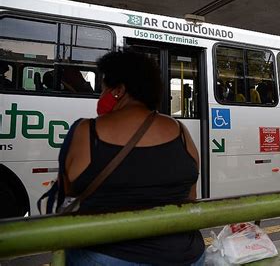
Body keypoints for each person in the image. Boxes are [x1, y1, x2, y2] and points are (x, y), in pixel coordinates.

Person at [64, 50, 205, 265]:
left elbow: (67, 190)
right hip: (187, 255)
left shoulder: (86, 130)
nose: (101, 96)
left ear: (119, 90)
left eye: (103, 88)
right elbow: (190, 197)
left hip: (108, 256)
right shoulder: (180, 132)